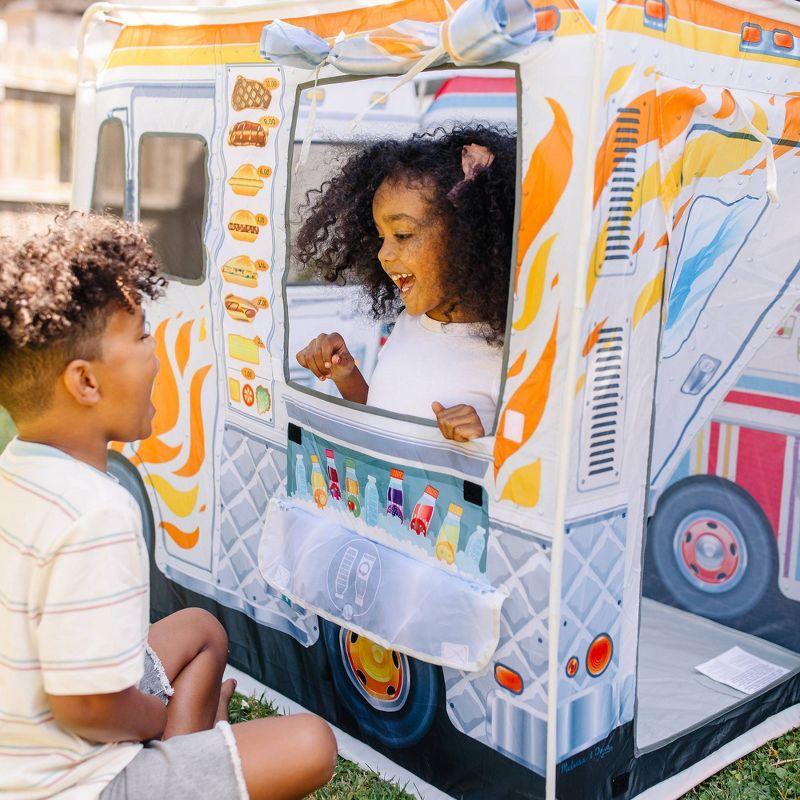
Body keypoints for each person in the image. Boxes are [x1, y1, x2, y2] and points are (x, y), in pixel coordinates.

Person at [0, 213, 337, 800]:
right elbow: (85, 706)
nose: (156, 355)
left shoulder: (18, 465)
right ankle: (188, 751)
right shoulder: (99, 513)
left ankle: (194, 746)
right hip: (75, 784)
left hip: (29, 744)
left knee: (200, 630)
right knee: (311, 743)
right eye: (141, 337)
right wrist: (163, 725)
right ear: (85, 383)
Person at [294, 125, 516, 442]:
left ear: (466, 237)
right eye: (381, 237)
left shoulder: (509, 356)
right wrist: (347, 375)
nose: (383, 254)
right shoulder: (409, 323)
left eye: (402, 234)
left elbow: (526, 471)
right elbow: (382, 429)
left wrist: (482, 442)